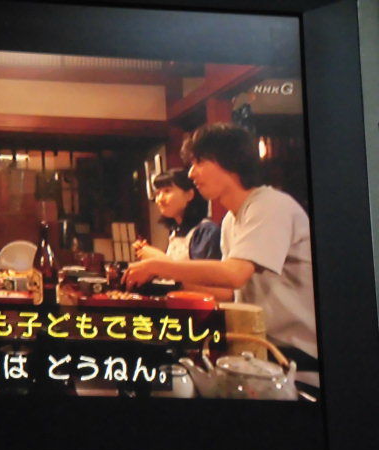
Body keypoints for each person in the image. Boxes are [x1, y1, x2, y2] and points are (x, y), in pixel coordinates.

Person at [122, 123, 318, 385]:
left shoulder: (271, 205)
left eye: (199, 161)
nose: (191, 173)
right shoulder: (229, 220)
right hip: (257, 352)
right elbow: (228, 292)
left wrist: (158, 266)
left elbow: (234, 274)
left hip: (297, 361)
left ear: (231, 160)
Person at [133, 168, 221, 262]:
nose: (160, 199)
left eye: (167, 191)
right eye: (158, 193)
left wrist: (157, 257)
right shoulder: (176, 231)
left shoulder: (206, 231)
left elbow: (202, 271)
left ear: (189, 195)